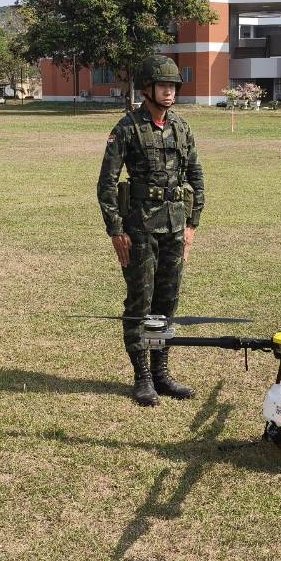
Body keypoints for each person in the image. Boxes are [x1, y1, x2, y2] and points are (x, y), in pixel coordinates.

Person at [96, 57, 206, 406]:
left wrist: (192, 225)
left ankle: (161, 372)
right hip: (140, 230)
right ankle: (142, 377)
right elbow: (107, 184)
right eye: (164, 86)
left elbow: (196, 177)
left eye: (173, 87)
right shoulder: (127, 128)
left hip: (174, 227)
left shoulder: (182, 128)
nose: (170, 92)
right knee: (140, 302)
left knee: (166, 302)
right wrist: (116, 231)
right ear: (147, 89)